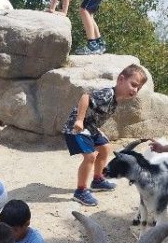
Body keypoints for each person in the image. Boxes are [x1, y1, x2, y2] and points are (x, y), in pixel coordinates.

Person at [62, 63, 147, 207]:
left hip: (91, 127)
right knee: (90, 156)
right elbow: (85, 97)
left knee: (105, 147)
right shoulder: (108, 94)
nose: (135, 90)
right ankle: (80, 191)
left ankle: (97, 179)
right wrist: (79, 120)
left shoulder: (115, 101)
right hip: (76, 128)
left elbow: (96, 115)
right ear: (121, 79)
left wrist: (99, 130)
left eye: (138, 88)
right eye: (133, 84)